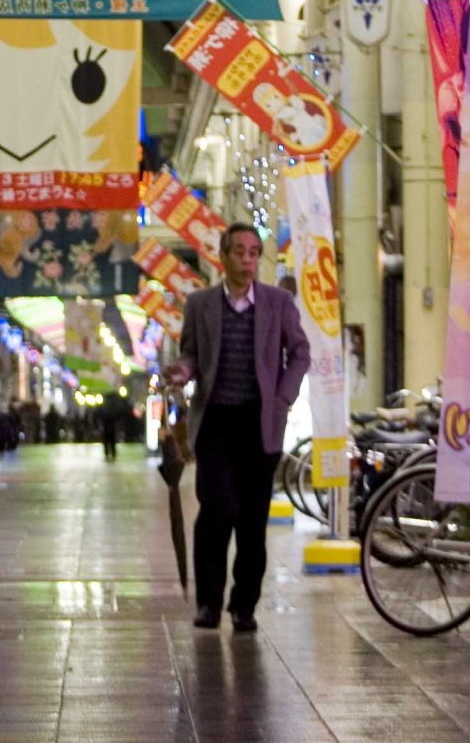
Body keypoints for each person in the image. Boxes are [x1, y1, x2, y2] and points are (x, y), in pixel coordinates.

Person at [167, 222, 311, 634]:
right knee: (215, 511)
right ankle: (209, 603)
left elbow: (300, 353)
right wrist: (182, 370)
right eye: (240, 252)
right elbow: (191, 352)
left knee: (252, 518)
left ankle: (243, 605)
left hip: (259, 422)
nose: (248, 260)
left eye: (253, 253)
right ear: (223, 257)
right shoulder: (200, 304)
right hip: (215, 421)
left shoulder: (278, 303)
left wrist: (283, 397)